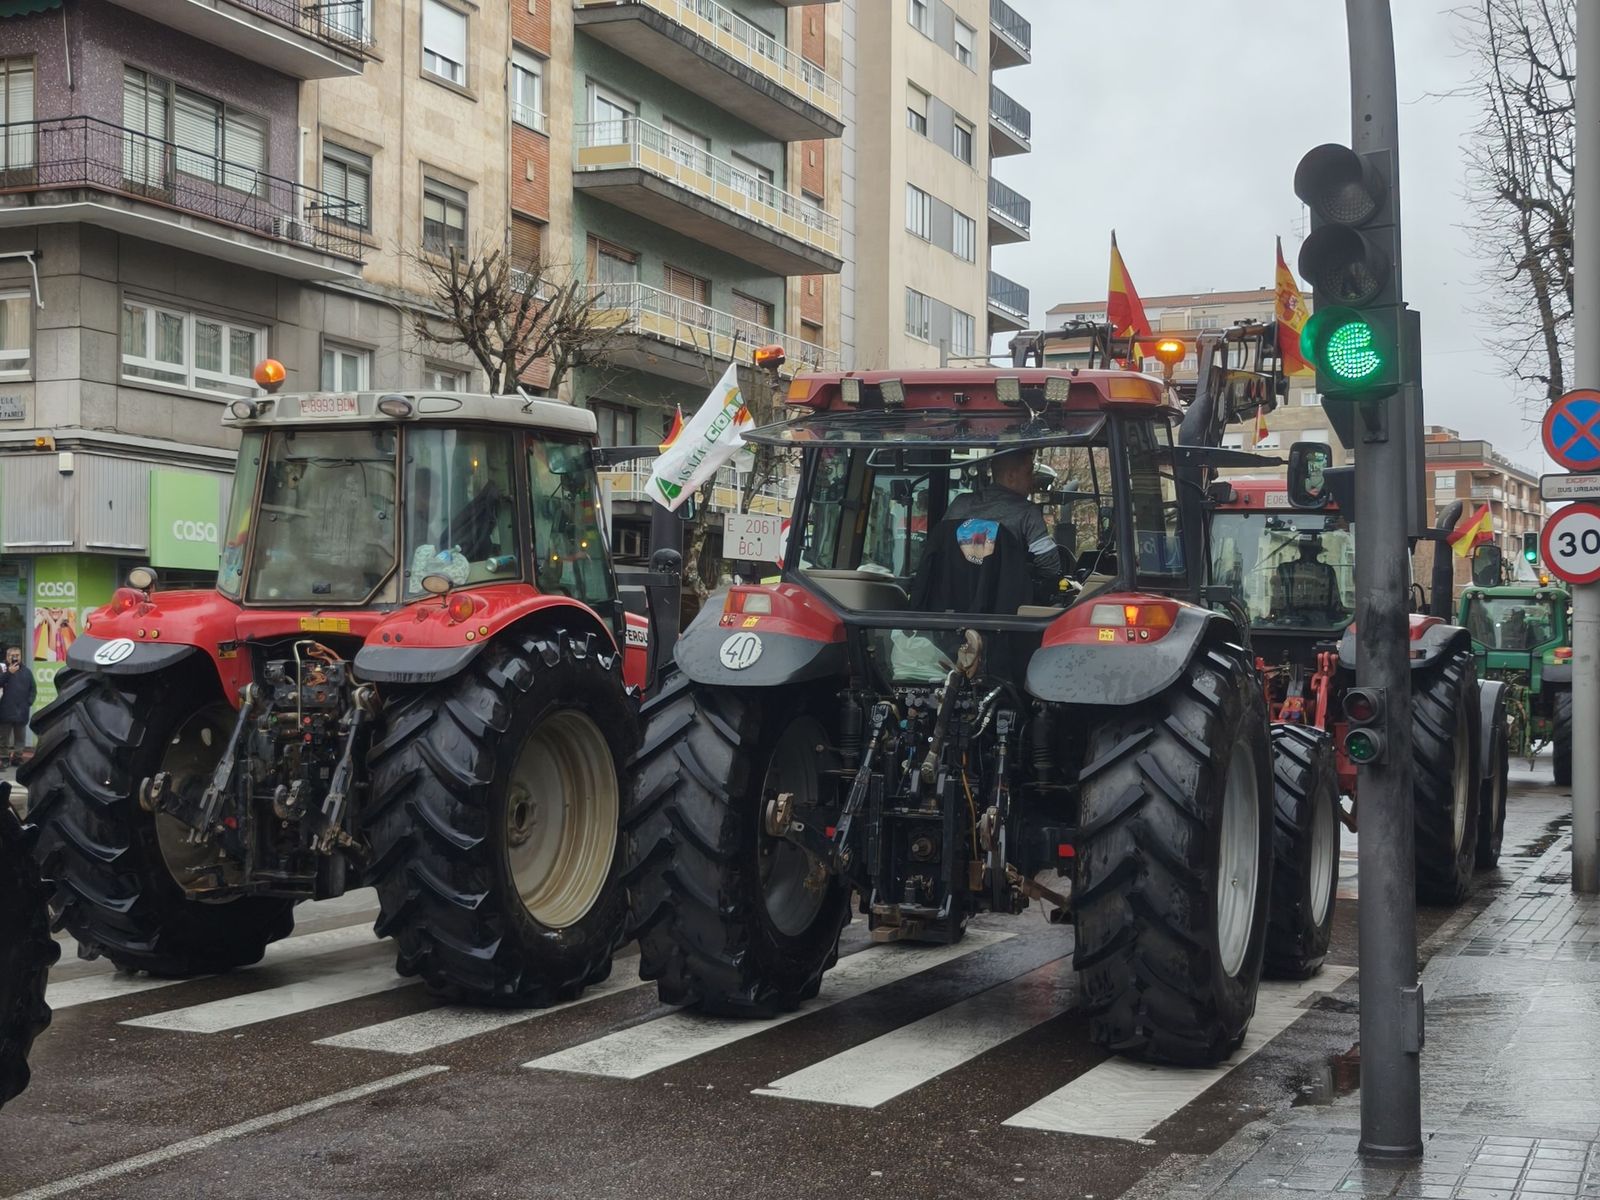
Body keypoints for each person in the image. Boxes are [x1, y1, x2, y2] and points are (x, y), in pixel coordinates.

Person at [942, 448, 1064, 592]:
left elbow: (938, 549)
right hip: (1005, 607)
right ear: (1011, 476)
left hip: (951, 600)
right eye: (1029, 473)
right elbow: (1051, 566)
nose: (1033, 479)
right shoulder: (1027, 512)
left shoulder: (959, 504)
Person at [1272, 534, 1345, 621]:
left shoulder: (1327, 571)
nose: (1309, 552)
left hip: (1319, 625)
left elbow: (1335, 603)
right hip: (1293, 622)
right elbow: (1277, 602)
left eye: (1310, 549)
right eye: (1307, 548)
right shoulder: (1285, 569)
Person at [0, 647, 35, 767]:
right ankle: (4, 758)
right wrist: (9, 673)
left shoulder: (27, 672)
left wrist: (28, 702)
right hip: (5, 710)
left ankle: (17, 758)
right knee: (3, 738)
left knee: (20, 738)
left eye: (17, 655)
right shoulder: (2, 670)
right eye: (12, 655)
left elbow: (33, 689)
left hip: (22, 710)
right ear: (7, 657)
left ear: (21, 656)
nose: (15, 657)